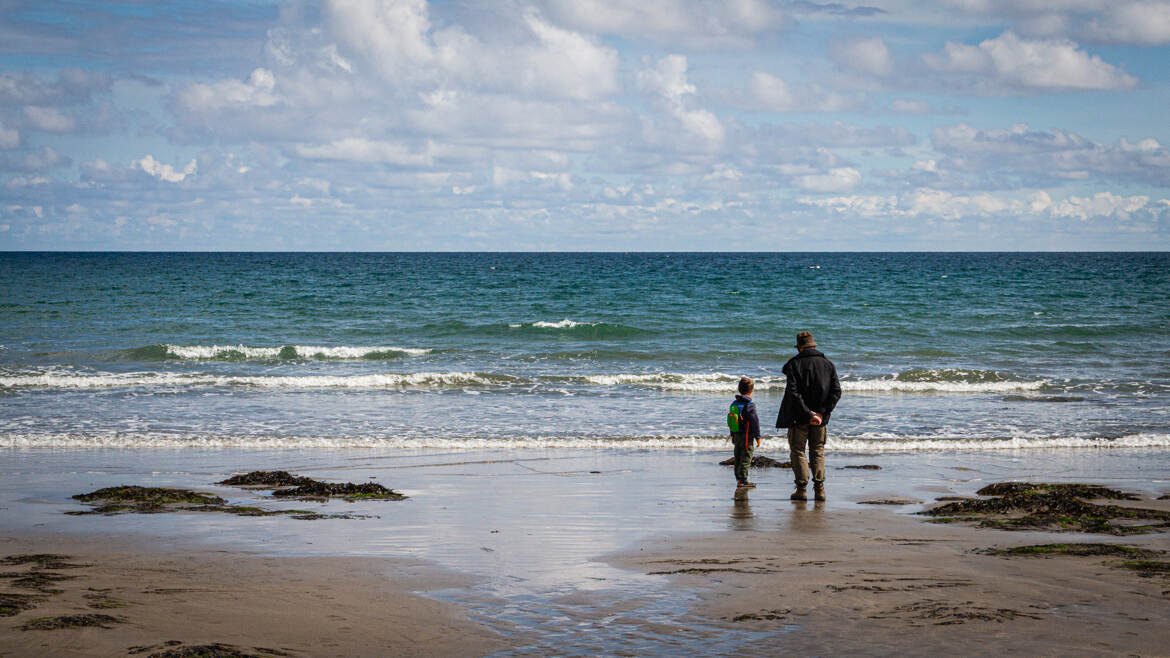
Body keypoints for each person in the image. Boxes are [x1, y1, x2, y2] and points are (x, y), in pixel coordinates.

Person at [776, 331, 841, 502]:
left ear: (799, 348)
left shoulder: (794, 365)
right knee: (817, 451)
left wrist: (808, 413)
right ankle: (820, 489)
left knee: (798, 451)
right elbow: (836, 392)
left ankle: (802, 489)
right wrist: (821, 412)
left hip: (799, 417)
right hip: (820, 419)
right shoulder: (828, 364)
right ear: (814, 346)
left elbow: (793, 393)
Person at [729, 376, 761, 488]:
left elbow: (731, 420)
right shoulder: (750, 405)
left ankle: (739, 479)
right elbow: (755, 422)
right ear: (751, 391)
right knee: (746, 457)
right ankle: (743, 480)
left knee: (737, 456)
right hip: (747, 436)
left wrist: (732, 433)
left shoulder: (734, 403)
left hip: (736, 434)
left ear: (739, 389)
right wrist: (758, 436)